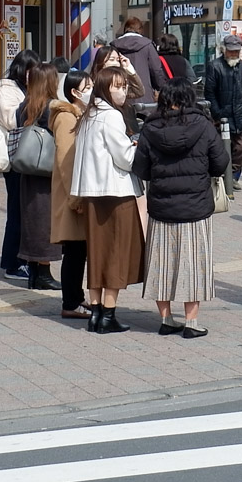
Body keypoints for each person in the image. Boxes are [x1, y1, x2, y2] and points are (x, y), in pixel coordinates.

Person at [131, 82, 227, 338]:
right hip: (196, 207)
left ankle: (166, 319)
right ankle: (191, 322)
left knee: (162, 264)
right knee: (193, 264)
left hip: (161, 207)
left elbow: (141, 169)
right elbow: (220, 163)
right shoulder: (203, 125)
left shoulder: (150, 127)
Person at [72, 66, 144, 334]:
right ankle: (109, 314)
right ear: (104, 88)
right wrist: (136, 147)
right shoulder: (111, 116)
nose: (122, 91)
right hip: (115, 193)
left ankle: (95, 312)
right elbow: (124, 158)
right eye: (117, 86)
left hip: (91, 193)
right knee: (116, 253)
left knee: (97, 254)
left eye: (124, 86)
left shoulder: (88, 115)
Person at [0, 51, 41, 281]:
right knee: (17, 210)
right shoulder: (6, 89)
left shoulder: (26, 89)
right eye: (32, 70)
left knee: (26, 209)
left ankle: (23, 260)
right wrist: (34, 104)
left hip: (26, 156)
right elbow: (11, 120)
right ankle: (13, 264)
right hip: (14, 157)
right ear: (21, 70)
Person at [50, 71, 94, 320]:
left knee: (79, 250)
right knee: (75, 251)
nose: (92, 90)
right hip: (72, 193)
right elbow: (67, 160)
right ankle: (71, 302)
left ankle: (76, 298)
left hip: (77, 191)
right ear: (74, 92)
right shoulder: (66, 117)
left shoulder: (80, 114)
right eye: (87, 87)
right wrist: (75, 197)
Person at [16, 65, 63, 291]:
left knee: (32, 221)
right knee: (45, 222)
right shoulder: (51, 108)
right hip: (47, 172)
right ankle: (43, 274)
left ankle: (34, 273)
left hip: (28, 171)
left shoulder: (24, 106)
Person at [202, 34, 242, 189]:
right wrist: (217, 114)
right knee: (220, 149)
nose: (234, 54)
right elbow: (210, 93)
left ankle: (233, 175)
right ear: (224, 50)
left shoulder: (241, 66)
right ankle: (222, 177)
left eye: (236, 51)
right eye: (231, 51)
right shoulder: (215, 66)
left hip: (239, 116)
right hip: (221, 116)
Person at [109, 17, 167, 123]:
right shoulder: (147, 45)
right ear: (140, 29)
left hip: (120, 95)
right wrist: (161, 88)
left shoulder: (114, 46)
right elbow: (156, 71)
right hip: (144, 96)